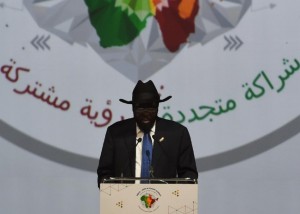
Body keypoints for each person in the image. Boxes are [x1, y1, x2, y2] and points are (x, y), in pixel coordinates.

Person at [97, 80, 198, 187]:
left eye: (150, 108)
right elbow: (104, 174)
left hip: (166, 202)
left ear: (158, 107)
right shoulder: (116, 133)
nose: (146, 114)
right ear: (133, 108)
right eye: (140, 108)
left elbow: (189, 175)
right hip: (124, 202)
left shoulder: (177, 133)